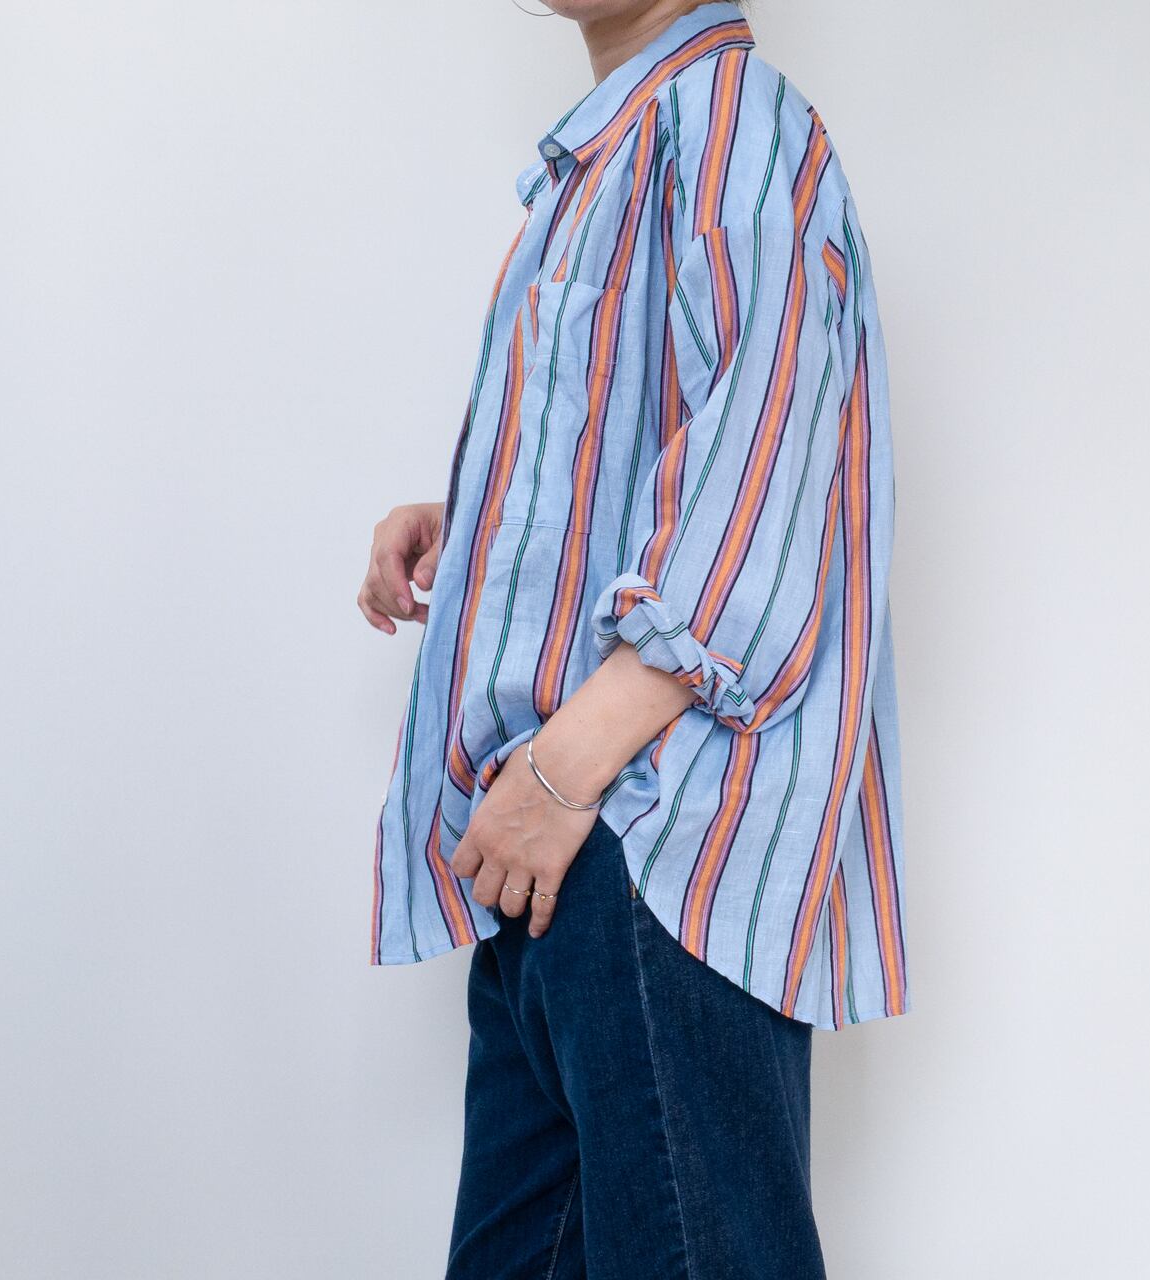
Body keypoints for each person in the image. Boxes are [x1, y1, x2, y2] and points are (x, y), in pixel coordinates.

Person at [357, 2, 908, 1275]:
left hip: (640, 835)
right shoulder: (612, 150)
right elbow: (655, 447)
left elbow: (763, 492)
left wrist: (560, 779)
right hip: (545, 849)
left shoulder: (729, 122)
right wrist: (476, 519)